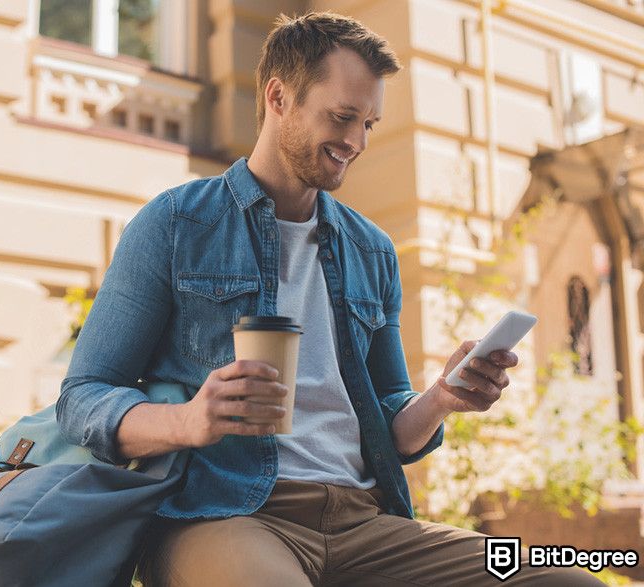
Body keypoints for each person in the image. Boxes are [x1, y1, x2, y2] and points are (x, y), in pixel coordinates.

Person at [56, 11, 604, 587]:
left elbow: (390, 421)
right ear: (278, 97)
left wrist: (442, 398)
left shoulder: (372, 250)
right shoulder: (177, 223)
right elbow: (83, 398)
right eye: (343, 117)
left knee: (569, 582)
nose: (357, 142)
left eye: (368, 123)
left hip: (362, 521)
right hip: (225, 516)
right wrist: (188, 420)